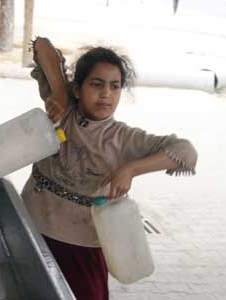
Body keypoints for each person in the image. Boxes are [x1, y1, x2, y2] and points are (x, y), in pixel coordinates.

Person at [22, 41, 198, 300]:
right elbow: (42, 46)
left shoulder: (124, 139)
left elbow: (186, 153)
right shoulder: (62, 110)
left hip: (82, 247)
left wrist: (131, 168)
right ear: (78, 89)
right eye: (96, 84)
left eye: (114, 86)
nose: (106, 94)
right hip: (32, 232)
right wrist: (59, 91)